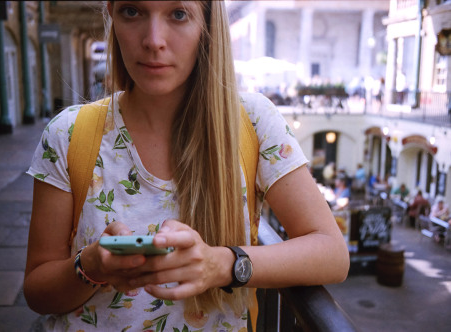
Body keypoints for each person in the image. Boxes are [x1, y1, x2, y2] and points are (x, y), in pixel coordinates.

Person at [23, 2, 349, 331]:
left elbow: (332, 254)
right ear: (111, 15)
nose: (153, 40)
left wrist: (221, 264)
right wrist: (89, 266)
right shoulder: (68, 134)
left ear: (207, 26)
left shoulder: (252, 122)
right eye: (132, 12)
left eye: (178, 14)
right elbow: (37, 292)